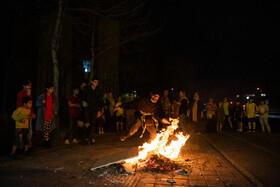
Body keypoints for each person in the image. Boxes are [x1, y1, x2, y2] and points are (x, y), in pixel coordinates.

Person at [35, 83, 59, 148]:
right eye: (51, 89)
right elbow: (37, 104)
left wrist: (56, 110)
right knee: (45, 130)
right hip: (44, 116)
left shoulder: (53, 96)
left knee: (48, 129)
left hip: (51, 115)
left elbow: (56, 104)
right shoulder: (42, 96)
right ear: (47, 89)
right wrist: (41, 103)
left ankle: (46, 142)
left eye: (53, 89)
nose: (52, 90)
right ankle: (47, 142)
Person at [16, 80, 36, 150]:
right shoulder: (20, 94)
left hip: (29, 115)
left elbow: (30, 104)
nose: (30, 87)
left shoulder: (29, 93)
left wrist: (32, 113)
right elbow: (23, 103)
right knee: (22, 132)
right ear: (24, 86)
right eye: (28, 85)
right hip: (22, 115)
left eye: (30, 85)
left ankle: (28, 146)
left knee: (29, 131)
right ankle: (21, 147)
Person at [83, 77, 103, 145]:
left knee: (93, 123)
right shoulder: (87, 89)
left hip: (95, 109)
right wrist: (84, 103)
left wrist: (99, 110)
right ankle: (87, 137)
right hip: (87, 109)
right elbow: (83, 98)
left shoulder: (98, 91)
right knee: (87, 123)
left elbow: (100, 101)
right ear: (92, 82)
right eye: (95, 82)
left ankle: (92, 138)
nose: (96, 84)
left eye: (97, 82)